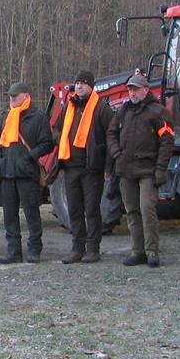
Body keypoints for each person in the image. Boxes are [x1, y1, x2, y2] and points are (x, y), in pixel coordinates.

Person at [105, 73, 173, 267]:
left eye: (136, 89)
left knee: (147, 209)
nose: (132, 92)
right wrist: (117, 153)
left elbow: (167, 141)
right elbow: (111, 133)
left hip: (148, 169)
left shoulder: (157, 112)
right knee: (132, 211)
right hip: (126, 170)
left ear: (146, 89)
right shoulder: (123, 111)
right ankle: (137, 251)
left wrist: (161, 168)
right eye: (130, 89)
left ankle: (152, 252)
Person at [54, 70, 114, 264]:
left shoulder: (101, 108)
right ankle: (77, 248)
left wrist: (107, 165)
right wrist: (60, 139)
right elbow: (57, 129)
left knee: (92, 210)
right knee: (74, 210)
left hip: (91, 169)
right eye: (77, 83)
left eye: (83, 83)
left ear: (91, 86)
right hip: (70, 168)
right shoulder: (68, 106)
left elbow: (111, 135)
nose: (79, 86)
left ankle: (93, 249)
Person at [0, 82, 55, 264]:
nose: (11, 99)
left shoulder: (38, 117)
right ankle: (13, 251)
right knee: (9, 215)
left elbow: (47, 143)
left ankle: (34, 250)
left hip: (27, 174)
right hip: (6, 173)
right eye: (10, 96)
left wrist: (29, 157)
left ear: (26, 96)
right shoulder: (4, 117)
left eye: (15, 96)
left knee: (31, 213)